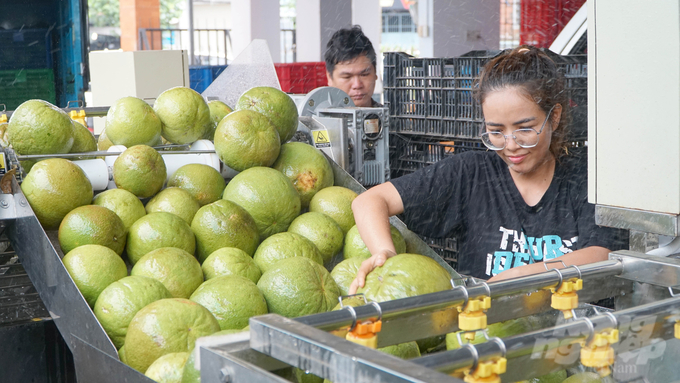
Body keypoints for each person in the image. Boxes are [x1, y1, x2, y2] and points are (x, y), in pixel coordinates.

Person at [348, 45, 628, 293]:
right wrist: (384, 252)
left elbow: (600, 254)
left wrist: (514, 278)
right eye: (496, 131)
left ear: (553, 117)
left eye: (525, 129)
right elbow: (370, 201)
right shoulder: (471, 174)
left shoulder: (584, 175)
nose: (511, 145)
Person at [325, 26, 381, 108]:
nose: (357, 85)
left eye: (364, 74)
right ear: (329, 78)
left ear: (375, 73)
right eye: (347, 77)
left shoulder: (392, 119)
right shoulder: (317, 120)